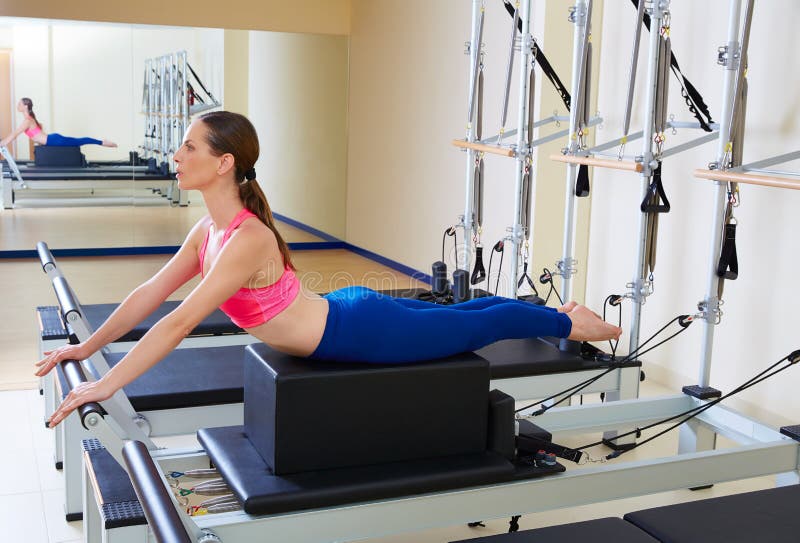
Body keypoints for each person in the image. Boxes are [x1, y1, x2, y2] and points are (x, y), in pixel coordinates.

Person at [37, 111, 622, 428]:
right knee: (470, 311)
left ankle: (576, 325)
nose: (177, 154)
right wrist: (87, 348)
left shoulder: (245, 238)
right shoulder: (208, 231)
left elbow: (179, 321)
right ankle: (561, 313)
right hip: (347, 310)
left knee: (479, 325)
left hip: (357, 331)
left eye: (189, 147)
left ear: (223, 163)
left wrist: (107, 381)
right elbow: (150, 294)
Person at [0, 97, 117, 150]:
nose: (17, 106)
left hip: (54, 140)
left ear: (26, 106)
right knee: (78, 141)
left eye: (19, 104)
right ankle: (102, 142)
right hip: (51, 140)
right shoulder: (29, 119)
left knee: (79, 141)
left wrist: (4, 143)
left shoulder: (28, 120)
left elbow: (15, 133)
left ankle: (102, 142)